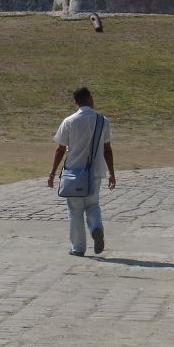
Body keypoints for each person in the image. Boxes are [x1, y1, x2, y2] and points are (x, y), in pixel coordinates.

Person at [47, 86, 116, 256]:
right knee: (93, 204)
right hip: (96, 171)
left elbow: (60, 149)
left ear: (76, 102)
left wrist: (52, 173)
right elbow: (107, 150)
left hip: (73, 172)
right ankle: (96, 227)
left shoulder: (69, 121)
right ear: (90, 98)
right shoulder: (103, 121)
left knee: (75, 210)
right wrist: (112, 173)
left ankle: (78, 247)